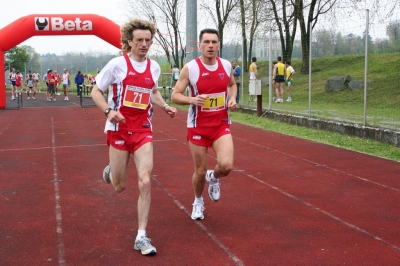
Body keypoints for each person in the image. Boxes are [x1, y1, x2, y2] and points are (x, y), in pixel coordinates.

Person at [91, 18, 177, 256]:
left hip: (143, 131)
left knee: (145, 181)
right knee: (119, 186)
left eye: (148, 40)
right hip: (118, 130)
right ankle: (111, 171)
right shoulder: (117, 64)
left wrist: (164, 106)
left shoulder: (154, 67)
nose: (144, 44)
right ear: (129, 41)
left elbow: (154, 91)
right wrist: (109, 112)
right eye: (139, 40)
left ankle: (141, 235)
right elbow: (96, 91)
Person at [171, 28, 238, 221]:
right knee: (199, 171)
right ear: (199, 45)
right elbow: (175, 95)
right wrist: (192, 100)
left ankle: (214, 177)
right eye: (206, 42)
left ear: (219, 45)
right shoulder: (190, 68)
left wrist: (232, 99)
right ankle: (198, 201)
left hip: (221, 125)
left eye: (214, 42)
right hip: (198, 127)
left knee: (226, 166)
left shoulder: (225, 66)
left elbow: (232, 84)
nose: (210, 45)